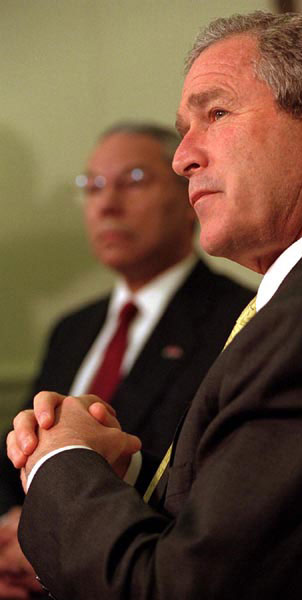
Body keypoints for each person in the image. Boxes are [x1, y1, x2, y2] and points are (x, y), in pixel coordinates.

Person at [7, 10, 302, 599]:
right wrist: (120, 480)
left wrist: (58, 465)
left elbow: (179, 590)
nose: (182, 157)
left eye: (215, 113)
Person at [0, 122, 252, 598]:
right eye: (92, 186)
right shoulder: (72, 328)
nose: (106, 203)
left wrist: (41, 551)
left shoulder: (239, 320)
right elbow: (17, 450)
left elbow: (195, 488)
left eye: (133, 180)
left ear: (187, 196)